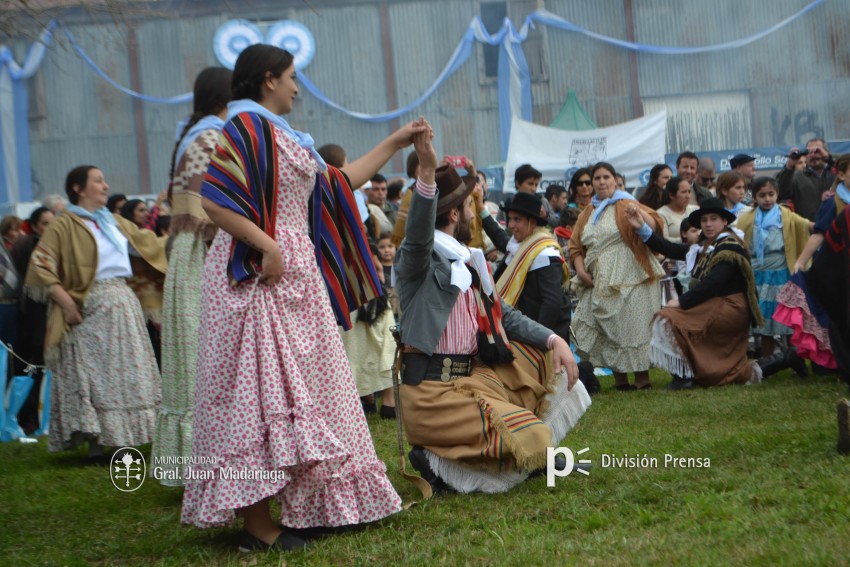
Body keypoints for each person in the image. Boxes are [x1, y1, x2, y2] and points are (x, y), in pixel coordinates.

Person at [181, 44, 421, 551]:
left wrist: (394, 141)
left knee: (308, 394)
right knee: (255, 397)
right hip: (258, 275)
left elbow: (337, 185)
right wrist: (268, 246)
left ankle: (314, 506)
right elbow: (214, 199)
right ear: (269, 79)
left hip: (294, 275)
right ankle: (257, 526)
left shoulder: (281, 134)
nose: (296, 86)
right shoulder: (245, 127)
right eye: (291, 77)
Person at [395, 127, 589, 494]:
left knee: (543, 358)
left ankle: (484, 455)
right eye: (470, 206)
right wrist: (426, 171)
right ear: (454, 213)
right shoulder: (418, 259)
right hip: (433, 395)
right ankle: (436, 460)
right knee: (531, 436)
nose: (475, 214)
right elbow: (418, 234)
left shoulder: (467, 260)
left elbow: (505, 316)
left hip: (473, 378)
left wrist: (554, 341)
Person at [24, 165, 165, 460]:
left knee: (125, 375)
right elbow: (40, 265)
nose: (105, 185)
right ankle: (97, 444)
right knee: (95, 378)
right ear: (78, 188)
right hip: (87, 307)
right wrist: (66, 303)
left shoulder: (113, 221)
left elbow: (149, 247)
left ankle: (122, 439)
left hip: (122, 303)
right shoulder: (64, 225)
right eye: (98, 181)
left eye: (104, 180)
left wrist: (184, 234)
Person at [150, 66, 232, 487]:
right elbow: (212, 211)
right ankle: (212, 463)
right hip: (206, 249)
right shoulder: (211, 137)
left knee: (193, 354)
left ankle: (193, 464)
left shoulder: (192, 135)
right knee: (210, 354)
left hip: (189, 252)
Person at [624, 198, 766, 390]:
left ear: (724, 221)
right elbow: (671, 249)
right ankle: (784, 359)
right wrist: (642, 227)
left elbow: (714, 282)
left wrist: (682, 302)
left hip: (731, 308)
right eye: (704, 220)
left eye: (713, 219)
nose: (708, 224)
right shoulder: (704, 247)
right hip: (714, 305)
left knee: (668, 318)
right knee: (726, 371)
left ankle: (683, 377)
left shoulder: (730, 246)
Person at [568, 162, 665, 390]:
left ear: (615, 180)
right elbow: (575, 246)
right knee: (609, 328)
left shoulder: (626, 203)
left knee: (635, 327)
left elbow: (656, 225)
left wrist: (639, 215)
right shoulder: (588, 212)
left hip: (632, 276)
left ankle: (642, 379)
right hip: (599, 279)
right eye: (597, 178)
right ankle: (620, 380)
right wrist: (581, 270)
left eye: (606, 177)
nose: (602, 182)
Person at [737, 177, 811, 372]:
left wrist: (825, 226)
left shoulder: (786, 215)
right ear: (754, 197)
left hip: (781, 273)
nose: (767, 199)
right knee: (763, 318)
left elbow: (806, 225)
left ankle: (796, 360)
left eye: (771, 194)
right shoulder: (746, 219)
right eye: (762, 195)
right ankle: (766, 363)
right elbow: (735, 236)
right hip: (757, 274)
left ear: (777, 194)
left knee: (789, 317)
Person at [479, 191, 570, 341]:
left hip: (540, 336)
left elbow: (551, 304)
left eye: (517, 220)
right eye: (510, 219)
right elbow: (500, 238)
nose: (511, 225)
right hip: (524, 331)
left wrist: (538, 339)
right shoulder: (521, 245)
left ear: (532, 222)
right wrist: (482, 211)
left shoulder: (545, 253)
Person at [11, 206, 55, 434]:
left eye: (53, 222)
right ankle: (32, 417)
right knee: (36, 368)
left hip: (52, 318)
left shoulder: (57, 246)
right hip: (36, 320)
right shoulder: (30, 248)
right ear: (36, 227)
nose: (51, 227)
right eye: (46, 223)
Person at [777, 138, 836, 221]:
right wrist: (789, 168)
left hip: (835, 226)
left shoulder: (837, 173)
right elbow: (781, 193)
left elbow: (845, 166)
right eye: (809, 152)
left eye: (817, 151)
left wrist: (828, 158)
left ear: (826, 152)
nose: (813, 155)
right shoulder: (796, 176)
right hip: (808, 226)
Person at [656, 176, 698, 242]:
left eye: (689, 192)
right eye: (684, 192)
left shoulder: (695, 210)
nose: (688, 196)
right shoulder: (661, 214)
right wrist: (687, 239)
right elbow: (664, 240)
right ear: (671, 195)